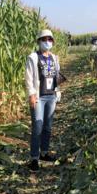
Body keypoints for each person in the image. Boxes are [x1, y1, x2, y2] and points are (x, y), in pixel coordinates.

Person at [25, 29, 61, 171]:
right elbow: (29, 77)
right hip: (39, 97)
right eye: (44, 39)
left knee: (48, 126)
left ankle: (44, 153)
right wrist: (31, 94)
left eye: (49, 39)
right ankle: (34, 158)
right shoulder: (33, 57)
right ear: (39, 41)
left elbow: (56, 76)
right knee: (38, 127)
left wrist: (57, 91)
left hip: (51, 95)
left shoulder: (54, 58)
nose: (47, 42)